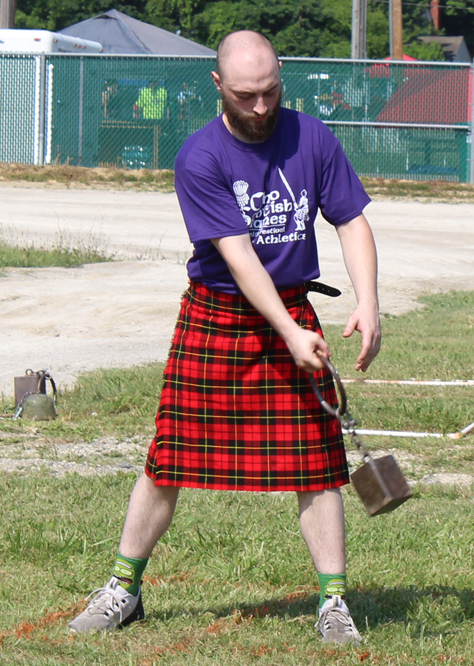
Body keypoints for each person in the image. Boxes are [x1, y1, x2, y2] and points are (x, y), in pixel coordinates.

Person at [69, 30, 381, 644]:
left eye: (269, 91)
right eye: (246, 95)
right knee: (170, 458)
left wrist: (369, 302)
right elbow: (238, 257)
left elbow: (350, 217)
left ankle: (334, 602)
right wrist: (288, 329)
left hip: (290, 311)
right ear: (218, 86)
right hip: (220, 315)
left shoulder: (312, 136)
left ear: (281, 74)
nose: (261, 107)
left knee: (315, 465)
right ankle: (123, 589)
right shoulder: (199, 156)